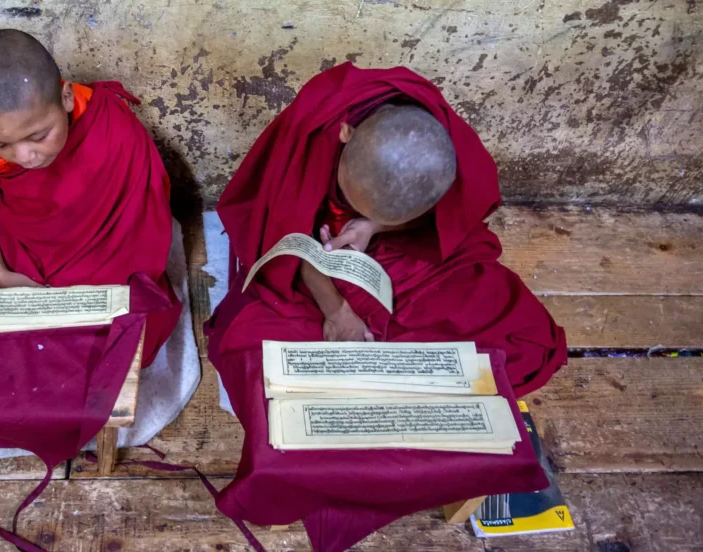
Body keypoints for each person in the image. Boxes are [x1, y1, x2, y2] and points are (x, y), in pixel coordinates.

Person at [206, 63, 567, 552]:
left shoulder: (440, 148)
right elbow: (280, 236)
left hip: (392, 248)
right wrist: (335, 309)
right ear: (344, 134)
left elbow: (445, 226)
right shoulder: (315, 124)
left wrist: (371, 228)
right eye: (359, 199)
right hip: (314, 242)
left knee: (508, 326)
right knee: (261, 332)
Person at [0, 29, 181, 549]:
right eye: (3, 144)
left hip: (106, 244)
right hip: (27, 235)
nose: (26, 156)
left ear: (66, 98)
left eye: (38, 135)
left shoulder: (112, 126)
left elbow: (142, 211)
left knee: (117, 324)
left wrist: (106, 267)